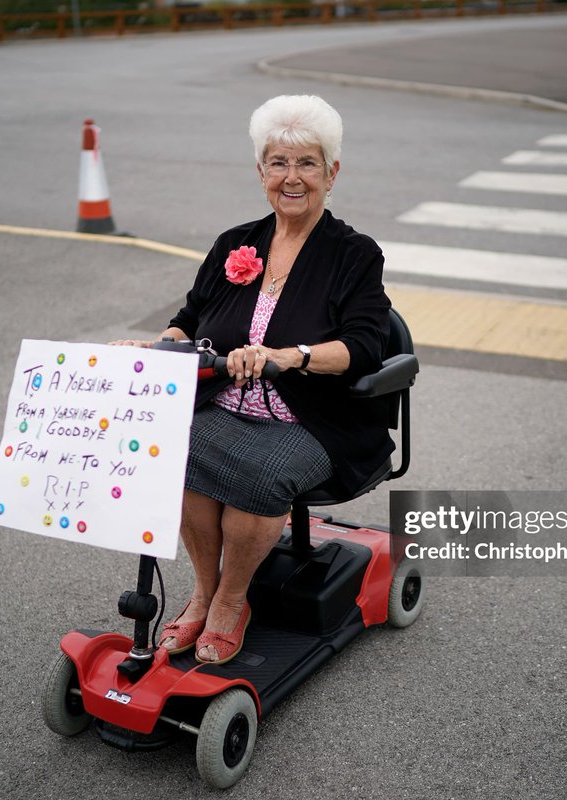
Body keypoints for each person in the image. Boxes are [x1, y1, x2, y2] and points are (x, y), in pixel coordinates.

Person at [111, 95, 392, 664]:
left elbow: (366, 344)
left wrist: (291, 356)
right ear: (260, 172)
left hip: (311, 418)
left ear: (331, 173)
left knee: (258, 475)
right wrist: (158, 345)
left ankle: (232, 600)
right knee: (178, 449)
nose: (292, 178)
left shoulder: (354, 253)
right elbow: (190, 317)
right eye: (278, 163)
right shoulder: (234, 243)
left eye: (307, 163)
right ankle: (204, 589)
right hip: (226, 402)